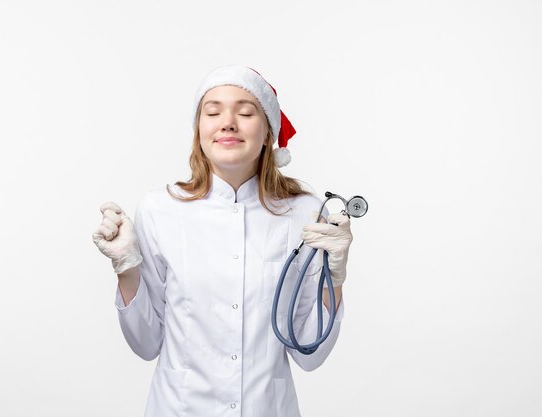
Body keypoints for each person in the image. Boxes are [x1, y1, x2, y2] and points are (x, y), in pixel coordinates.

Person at [92, 65, 353, 417]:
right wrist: (126, 268)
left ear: (268, 134)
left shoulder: (305, 213)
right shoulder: (160, 209)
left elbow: (311, 353)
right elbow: (145, 343)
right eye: (212, 112)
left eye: (246, 112)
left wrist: (334, 279)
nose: (228, 122)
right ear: (199, 130)